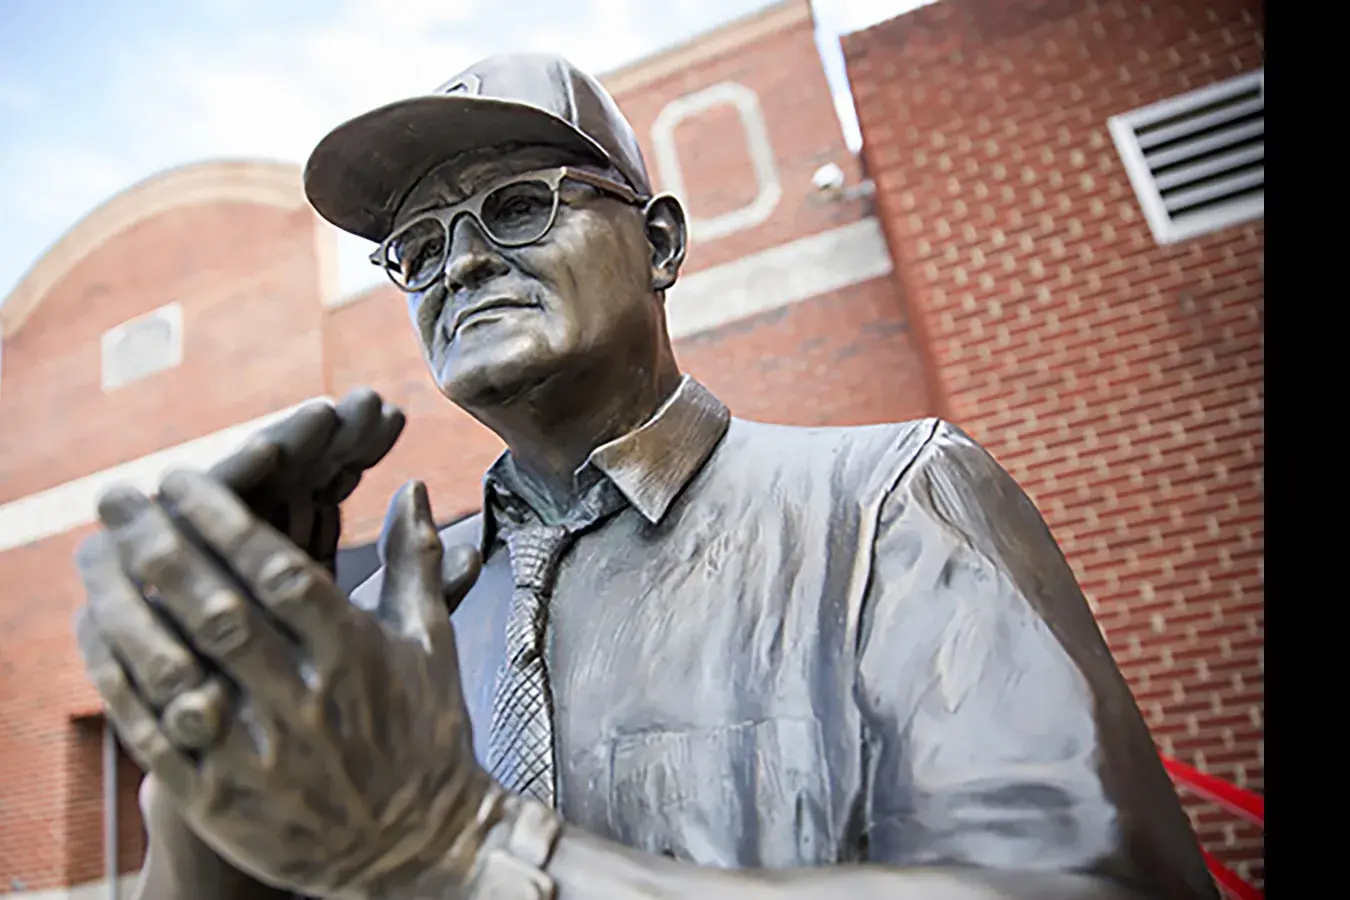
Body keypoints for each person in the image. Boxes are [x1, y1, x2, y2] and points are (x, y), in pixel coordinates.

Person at [73, 54, 1219, 900]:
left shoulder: (882, 504)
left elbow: (1099, 887)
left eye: (518, 206)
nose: (461, 260)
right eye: (416, 250)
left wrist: (461, 853)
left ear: (661, 243)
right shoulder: (382, 626)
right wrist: (214, 716)